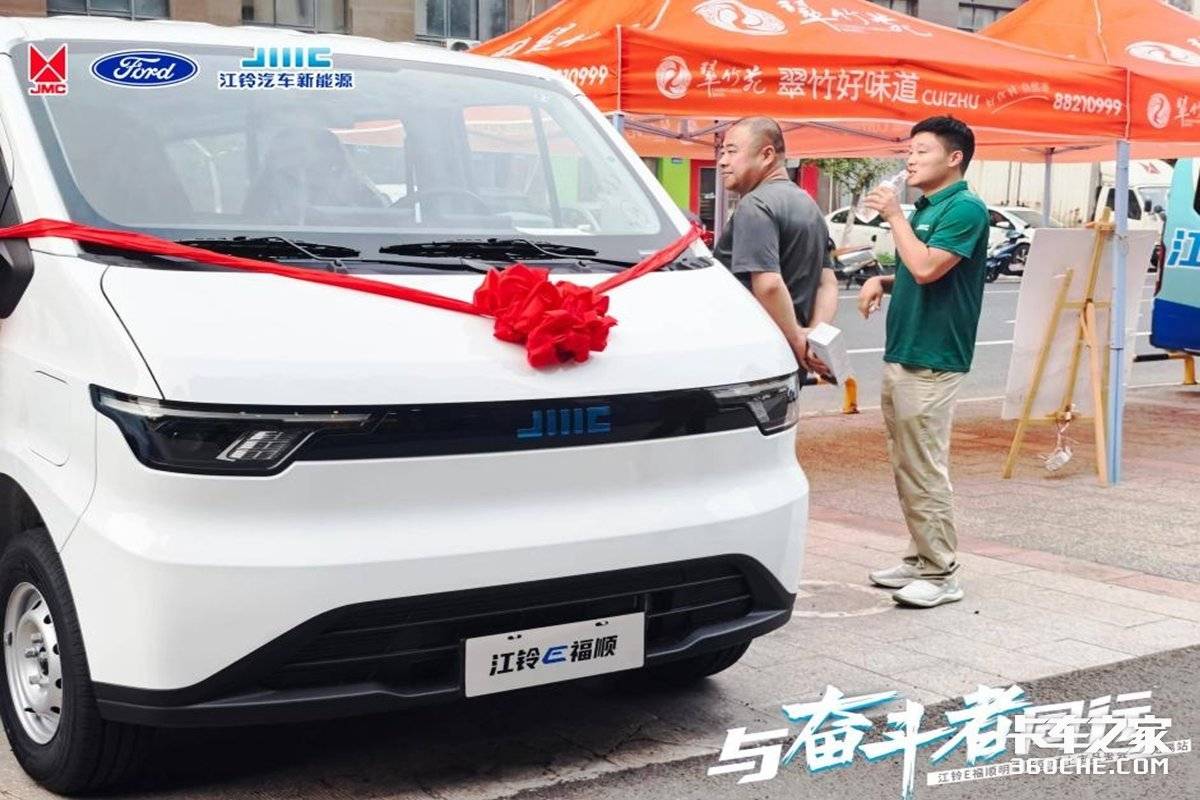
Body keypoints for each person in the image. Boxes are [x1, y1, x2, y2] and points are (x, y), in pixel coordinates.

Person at [856, 116, 990, 608]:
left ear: (954, 158)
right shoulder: (929, 207)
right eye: (909, 151)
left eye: (922, 151)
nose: (910, 160)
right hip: (906, 350)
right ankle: (919, 558)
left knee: (925, 467)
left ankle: (941, 572)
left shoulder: (966, 208)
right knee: (907, 462)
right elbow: (919, 270)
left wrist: (894, 215)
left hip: (933, 358)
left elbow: (928, 267)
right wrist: (881, 280)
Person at [713, 117, 838, 375]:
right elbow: (827, 283)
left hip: (754, 359)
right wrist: (812, 338)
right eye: (722, 152)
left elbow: (768, 284)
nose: (722, 161)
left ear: (767, 155)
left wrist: (796, 337)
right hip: (791, 361)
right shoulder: (809, 204)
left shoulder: (755, 205)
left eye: (732, 151)